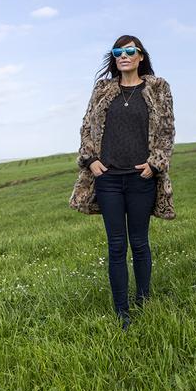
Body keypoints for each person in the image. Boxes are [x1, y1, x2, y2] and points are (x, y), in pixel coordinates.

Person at [69, 35, 176, 331]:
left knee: (140, 243)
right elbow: (86, 128)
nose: (123, 55)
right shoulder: (103, 90)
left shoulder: (157, 88)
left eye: (130, 51)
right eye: (118, 51)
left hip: (141, 178)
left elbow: (166, 130)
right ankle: (122, 312)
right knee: (117, 246)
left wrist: (155, 164)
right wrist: (90, 160)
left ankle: (144, 301)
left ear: (141, 56)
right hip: (109, 180)